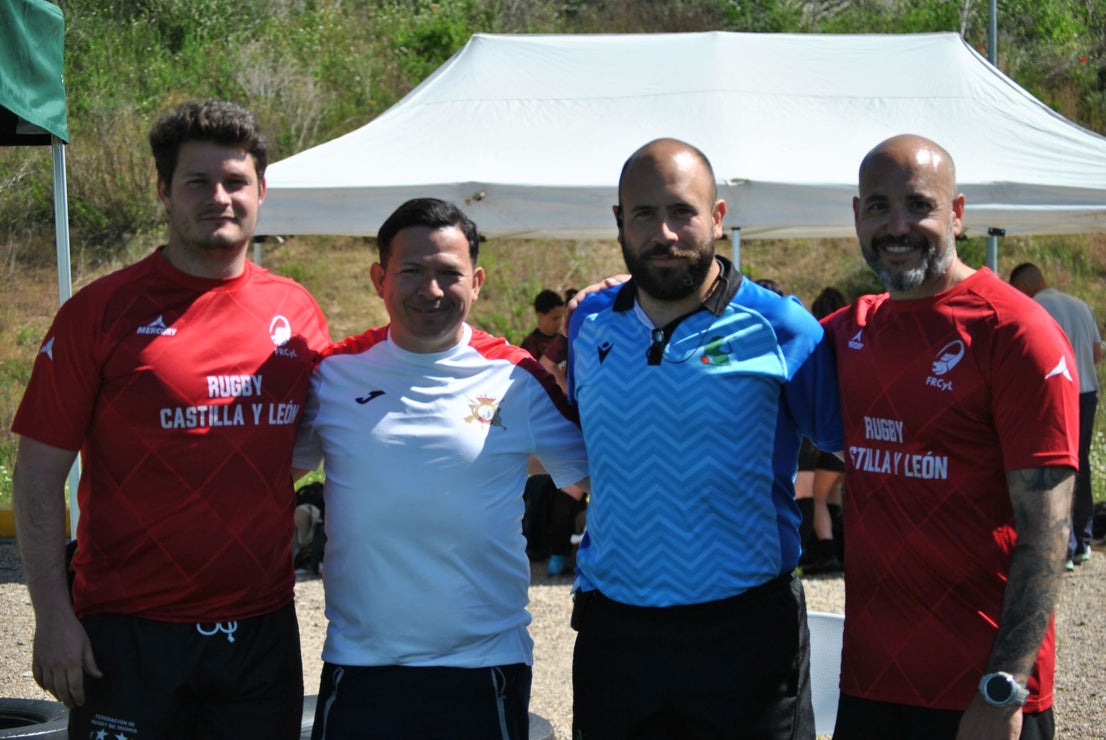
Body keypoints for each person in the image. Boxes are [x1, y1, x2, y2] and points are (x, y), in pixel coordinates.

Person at [11, 100, 331, 738]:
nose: (220, 197)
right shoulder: (99, 312)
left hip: (260, 630)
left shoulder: (297, 313)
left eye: (236, 181)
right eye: (198, 182)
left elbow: (308, 442)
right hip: (129, 632)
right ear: (163, 190)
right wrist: (52, 615)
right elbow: (38, 474)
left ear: (261, 191)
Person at [566, 138, 844, 738]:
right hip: (617, 634)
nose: (664, 232)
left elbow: (858, 446)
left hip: (746, 634)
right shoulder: (587, 323)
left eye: (682, 212)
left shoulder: (782, 327)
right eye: (644, 214)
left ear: (717, 217)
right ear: (620, 222)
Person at [292, 197, 588, 740]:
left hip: (483, 665)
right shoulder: (333, 375)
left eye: (449, 274)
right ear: (380, 278)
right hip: (359, 663)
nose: (431, 290)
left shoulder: (517, 378)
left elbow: (600, 479)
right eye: (411, 271)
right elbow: (256, 475)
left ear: (476, 282)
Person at [823, 134, 1078, 740]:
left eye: (919, 205)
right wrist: (629, 294)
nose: (898, 225)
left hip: (977, 693)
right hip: (869, 683)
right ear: (858, 216)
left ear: (957, 213)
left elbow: (1046, 536)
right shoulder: (851, 331)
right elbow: (754, 340)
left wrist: (1003, 688)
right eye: (879, 207)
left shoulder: (1014, 333)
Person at [1009, 261, 1102, 571]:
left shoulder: (1031, 308)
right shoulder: (1081, 305)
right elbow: (1097, 354)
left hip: (1054, 393)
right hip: (1088, 392)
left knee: (1054, 468)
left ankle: (1065, 546)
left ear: (1021, 288)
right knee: (1081, 463)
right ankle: (1084, 542)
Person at [801, 286, 850, 574]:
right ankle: (837, 550)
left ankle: (827, 552)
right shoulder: (850, 337)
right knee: (833, 495)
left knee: (818, 496)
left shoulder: (821, 342)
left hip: (831, 436)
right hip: (851, 428)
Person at [520, 288, 566, 361]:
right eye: (554, 318)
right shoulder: (531, 345)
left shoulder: (563, 340)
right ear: (540, 315)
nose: (559, 322)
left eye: (560, 317)